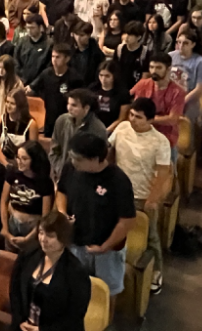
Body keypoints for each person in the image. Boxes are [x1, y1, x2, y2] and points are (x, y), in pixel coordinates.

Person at [57, 133, 136, 306]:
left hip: (105, 250)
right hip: (75, 243)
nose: (73, 161)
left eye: (77, 158)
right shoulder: (71, 169)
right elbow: (61, 191)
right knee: (74, 288)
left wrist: (105, 246)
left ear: (95, 159)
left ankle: (106, 327)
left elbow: (127, 220)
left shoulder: (118, 181)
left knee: (107, 292)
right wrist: (62, 213)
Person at [108, 98, 171, 294]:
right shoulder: (122, 128)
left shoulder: (160, 142)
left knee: (149, 236)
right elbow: (109, 151)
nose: (133, 120)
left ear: (151, 120)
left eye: (139, 117)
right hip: (118, 192)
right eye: (132, 115)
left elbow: (163, 172)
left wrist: (153, 199)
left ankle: (156, 272)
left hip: (143, 196)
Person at [0, 141, 55, 254]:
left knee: (30, 259)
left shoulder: (44, 182)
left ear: (34, 160)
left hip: (33, 226)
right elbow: (3, 201)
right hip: (13, 222)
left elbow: (45, 216)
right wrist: (5, 229)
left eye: (24, 159)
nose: (20, 162)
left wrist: (29, 238)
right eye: (18, 158)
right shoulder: (12, 173)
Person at [129, 53, 185, 163]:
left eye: (158, 67)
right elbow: (129, 103)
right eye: (151, 67)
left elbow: (172, 119)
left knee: (167, 174)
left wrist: (146, 119)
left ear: (168, 69)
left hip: (165, 137)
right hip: (141, 134)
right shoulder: (142, 84)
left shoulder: (178, 92)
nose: (154, 71)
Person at [49, 88, 108, 182]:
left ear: (86, 108)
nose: (69, 108)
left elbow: (97, 160)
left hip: (85, 179)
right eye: (68, 104)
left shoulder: (98, 129)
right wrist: (59, 168)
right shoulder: (61, 120)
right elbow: (55, 148)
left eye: (74, 105)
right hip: (61, 175)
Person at [27, 43, 82, 138]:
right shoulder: (46, 74)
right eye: (53, 56)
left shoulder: (75, 78)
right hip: (49, 119)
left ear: (67, 59)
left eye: (58, 57)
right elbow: (31, 89)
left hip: (68, 120)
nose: (54, 60)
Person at [0, 88, 39, 167]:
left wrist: (18, 164)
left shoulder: (31, 124)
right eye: (7, 102)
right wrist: (6, 163)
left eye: (12, 103)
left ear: (20, 105)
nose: (8, 106)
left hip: (22, 165)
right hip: (3, 162)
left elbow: (33, 151)